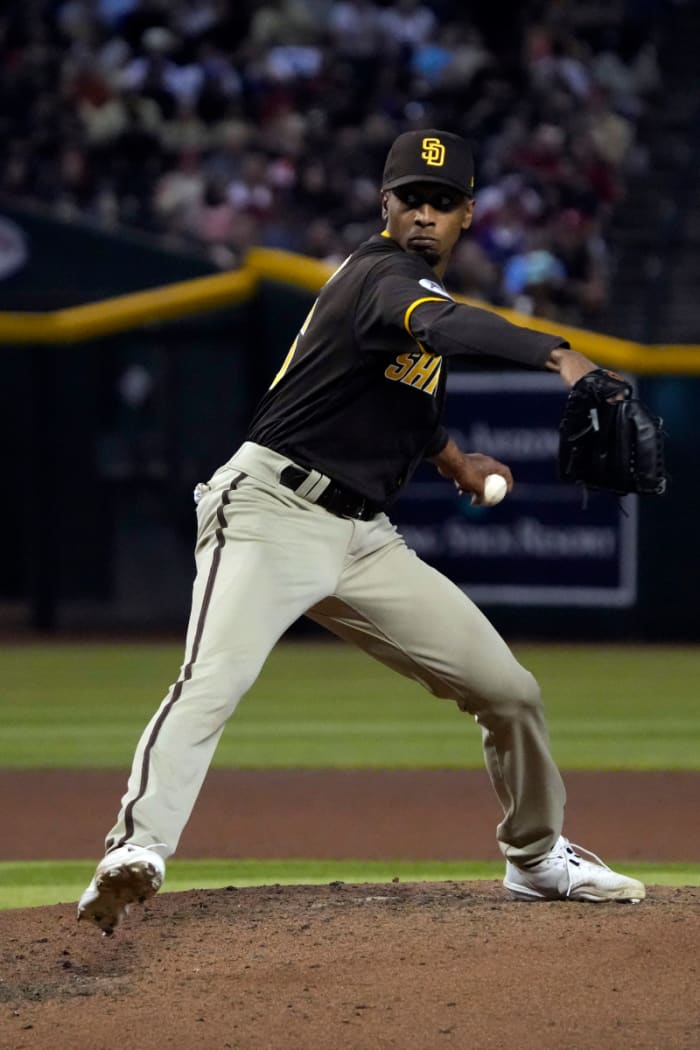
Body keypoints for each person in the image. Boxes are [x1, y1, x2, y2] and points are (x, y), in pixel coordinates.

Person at [78, 129, 644, 935]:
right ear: (385, 206)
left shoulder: (408, 302)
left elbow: (407, 403)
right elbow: (440, 326)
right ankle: (135, 848)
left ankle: (538, 857)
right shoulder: (383, 275)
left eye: (442, 202)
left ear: (468, 215)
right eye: (411, 197)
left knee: (511, 693)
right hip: (269, 511)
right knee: (213, 680)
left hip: (363, 539)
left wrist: (455, 460)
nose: (425, 213)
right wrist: (559, 354)